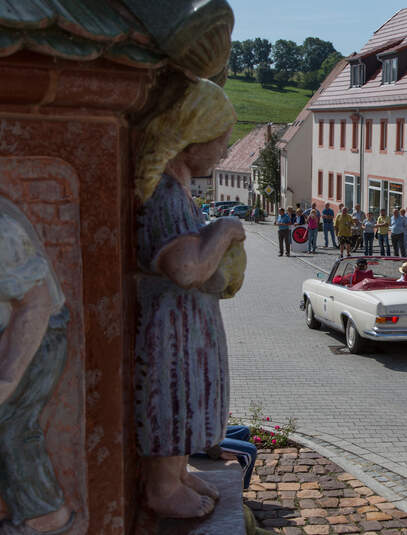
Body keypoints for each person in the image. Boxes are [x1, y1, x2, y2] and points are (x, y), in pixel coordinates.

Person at [133, 79, 243, 518]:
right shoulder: (162, 195)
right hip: (168, 321)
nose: (223, 152)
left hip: (186, 319)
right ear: (189, 140)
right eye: (219, 142)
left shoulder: (177, 190)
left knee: (190, 393)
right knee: (172, 394)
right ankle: (161, 487)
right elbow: (185, 269)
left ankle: (176, 473)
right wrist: (226, 229)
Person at [0, 197, 74, 533]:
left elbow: (35, 304)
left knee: (12, 421)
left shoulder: (3, 232)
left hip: (38, 334)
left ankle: (45, 515)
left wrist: (8, 377)